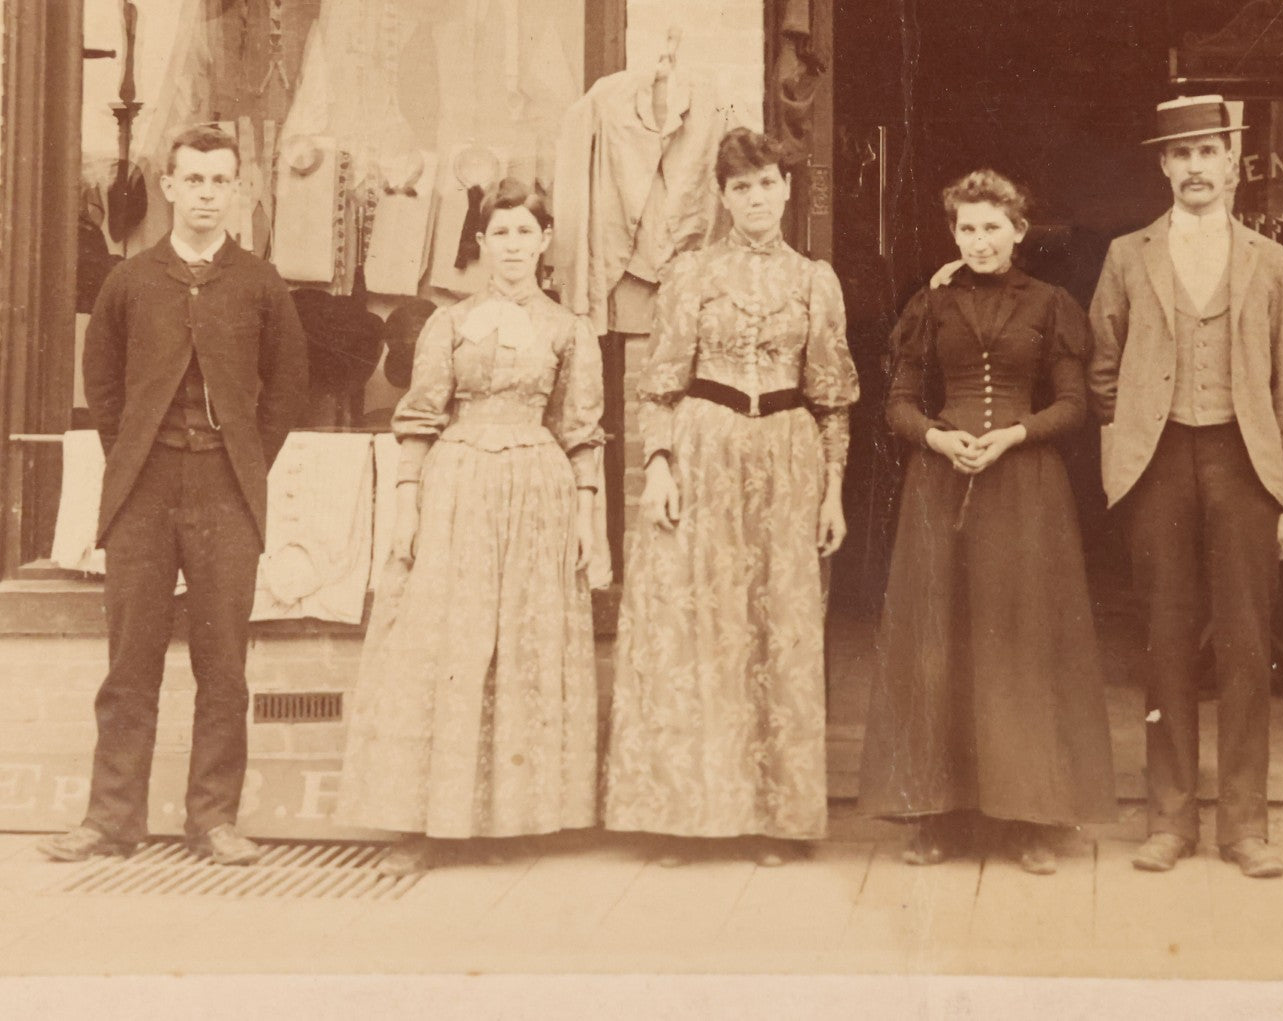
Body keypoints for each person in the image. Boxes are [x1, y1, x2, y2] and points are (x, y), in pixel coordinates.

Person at [43, 125, 309, 865]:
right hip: (144, 488)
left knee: (223, 663)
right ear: (168, 186)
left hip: (226, 488)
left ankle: (213, 820)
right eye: (192, 180)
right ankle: (111, 819)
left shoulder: (260, 283)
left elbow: (287, 386)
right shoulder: (129, 281)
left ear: (238, 189)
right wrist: (135, 454)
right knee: (131, 661)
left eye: (219, 181)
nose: (205, 194)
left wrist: (244, 457)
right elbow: (101, 385)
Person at [331, 179, 605, 875]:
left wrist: (587, 518)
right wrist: (407, 504)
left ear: (545, 241)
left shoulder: (570, 330)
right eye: (500, 233)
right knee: (444, 642)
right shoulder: (447, 325)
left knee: (522, 640)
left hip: (536, 492)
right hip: (456, 487)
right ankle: (430, 823)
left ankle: (521, 819)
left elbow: (580, 433)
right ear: (481, 243)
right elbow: (420, 416)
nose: (512, 246)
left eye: (525, 232)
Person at [603, 128, 860, 866]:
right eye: (740, 186)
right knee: (693, 629)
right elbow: (659, 383)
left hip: (787, 455)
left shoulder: (816, 281)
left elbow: (833, 398)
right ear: (723, 195)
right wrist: (658, 465)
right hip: (702, 448)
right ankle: (684, 815)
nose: (755, 197)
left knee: (773, 626)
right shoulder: (691, 274)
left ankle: (769, 819)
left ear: (787, 189)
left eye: (767, 182)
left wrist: (833, 493)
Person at [858, 170, 1118, 875]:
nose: (978, 241)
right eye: (966, 229)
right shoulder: (929, 305)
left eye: (991, 227)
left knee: (1022, 645)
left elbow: (1074, 405)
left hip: (1026, 490)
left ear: (1017, 231)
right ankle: (937, 815)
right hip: (939, 489)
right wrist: (938, 438)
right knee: (942, 641)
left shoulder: (1052, 305)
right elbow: (899, 403)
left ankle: (1031, 819)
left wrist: (1013, 435)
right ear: (955, 233)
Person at [1088, 96, 1283, 878]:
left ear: (1232, 160)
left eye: (1207, 153)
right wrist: (1131, 449)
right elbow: (1103, 369)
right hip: (1158, 464)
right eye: (1179, 155)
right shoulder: (1127, 255)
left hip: (1245, 463)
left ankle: (1245, 825)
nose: (1194, 169)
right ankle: (1170, 818)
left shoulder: (1269, 260)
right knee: (1166, 640)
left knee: (1247, 646)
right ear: (1162, 166)